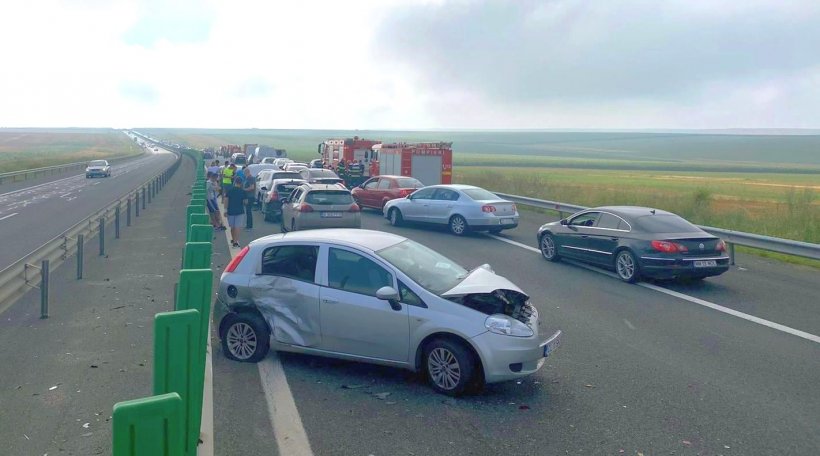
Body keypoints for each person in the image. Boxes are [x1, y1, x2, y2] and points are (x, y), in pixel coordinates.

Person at [225, 177, 247, 248]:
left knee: (232, 227)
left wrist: (225, 210)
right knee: (237, 227)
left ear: (235, 182)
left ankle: (233, 239)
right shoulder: (243, 191)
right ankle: (235, 242)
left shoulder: (230, 190)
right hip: (240, 211)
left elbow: (226, 200)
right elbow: (245, 202)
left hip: (230, 211)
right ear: (241, 183)